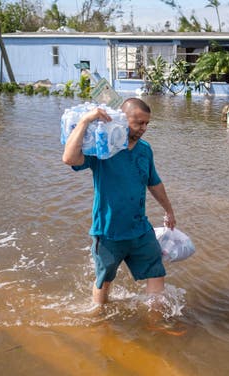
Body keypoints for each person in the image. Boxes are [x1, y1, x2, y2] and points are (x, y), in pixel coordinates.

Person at [62, 98, 176, 305]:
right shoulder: (103, 148)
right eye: (138, 123)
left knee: (157, 273)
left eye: (147, 123)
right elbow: (69, 158)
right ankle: (100, 323)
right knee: (104, 281)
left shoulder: (144, 149)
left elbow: (154, 183)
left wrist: (169, 210)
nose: (143, 128)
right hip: (108, 232)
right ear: (123, 119)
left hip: (140, 229)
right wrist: (85, 121)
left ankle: (157, 324)